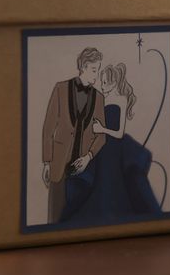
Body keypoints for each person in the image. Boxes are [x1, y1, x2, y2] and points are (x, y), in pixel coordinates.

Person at [62, 63, 162, 227]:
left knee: (116, 178)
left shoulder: (121, 100)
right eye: (101, 82)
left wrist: (102, 129)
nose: (102, 85)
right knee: (98, 178)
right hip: (101, 144)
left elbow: (119, 133)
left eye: (106, 82)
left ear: (114, 82)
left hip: (115, 145)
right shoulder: (102, 99)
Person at [41, 48, 121, 224]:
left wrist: (88, 157)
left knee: (79, 221)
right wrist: (47, 162)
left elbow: (101, 136)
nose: (96, 75)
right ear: (83, 67)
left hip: (83, 172)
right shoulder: (60, 89)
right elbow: (48, 128)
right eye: (94, 70)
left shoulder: (99, 98)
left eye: (98, 71)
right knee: (55, 218)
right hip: (59, 165)